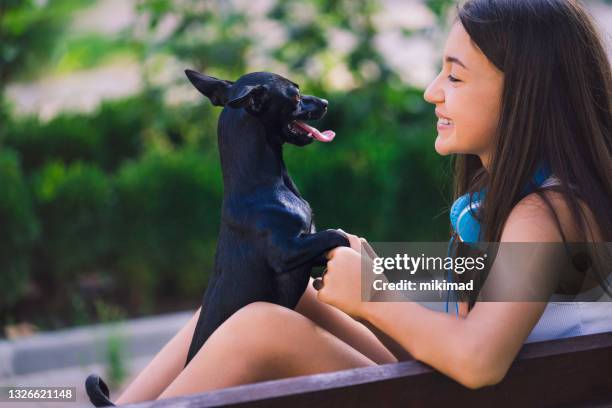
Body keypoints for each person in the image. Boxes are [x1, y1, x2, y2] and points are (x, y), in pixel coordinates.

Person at [112, 0, 612, 404]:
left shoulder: (547, 215)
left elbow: (477, 359)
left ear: (528, 94)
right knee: (264, 289)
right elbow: (463, 324)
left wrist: (375, 294)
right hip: (474, 389)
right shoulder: (510, 200)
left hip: (484, 392)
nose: (431, 91)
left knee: (261, 328)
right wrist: (373, 277)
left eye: (454, 77)